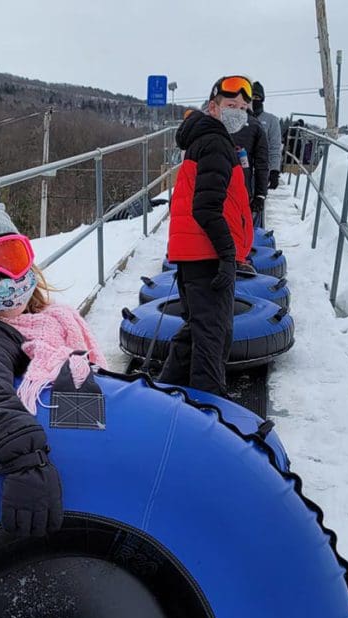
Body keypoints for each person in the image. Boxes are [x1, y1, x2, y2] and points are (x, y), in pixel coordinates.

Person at [0, 204, 107, 538]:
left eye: (9, 261)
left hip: (81, 456)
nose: (4, 281)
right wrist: (25, 460)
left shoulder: (53, 322)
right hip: (40, 461)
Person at [157, 76, 254, 397]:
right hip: (207, 253)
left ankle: (162, 391)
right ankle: (208, 414)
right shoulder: (215, 142)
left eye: (244, 107)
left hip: (196, 252)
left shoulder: (211, 139)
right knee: (214, 338)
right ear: (213, 108)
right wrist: (228, 256)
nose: (238, 112)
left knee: (198, 330)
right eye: (230, 106)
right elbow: (206, 208)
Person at [231, 105, 270, 227]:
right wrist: (260, 194)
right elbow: (262, 163)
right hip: (242, 189)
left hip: (217, 188)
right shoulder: (255, 125)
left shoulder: (214, 120)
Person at [251, 82, 283, 190]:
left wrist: (274, 171)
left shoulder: (271, 120)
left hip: (261, 171)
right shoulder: (241, 118)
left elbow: (275, 147)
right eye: (251, 97)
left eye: (257, 97)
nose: (254, 100)